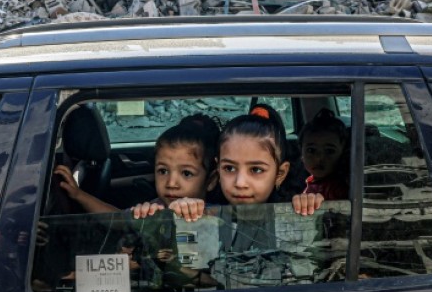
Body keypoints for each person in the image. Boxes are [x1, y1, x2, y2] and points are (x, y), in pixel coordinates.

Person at [52, 114, 222, 289]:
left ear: (210, 181)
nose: (171, 183)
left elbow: (212, 279)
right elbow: (118, 219)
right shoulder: (156, 207)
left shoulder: (215, 220)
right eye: (163, 171)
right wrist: (79, 195)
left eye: (186, 173)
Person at [134, 104, 323, 253]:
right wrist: (175, 216)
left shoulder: (291, 211)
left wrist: (309, 205)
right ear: (217, 169)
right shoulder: (205, 213)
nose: (240, 183)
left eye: (256, 170)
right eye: (229, 168)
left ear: (280, 174)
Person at [298, 108, 348, 202]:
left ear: (342, 152)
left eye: (329, 151)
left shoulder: (337, 190)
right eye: (311, 150)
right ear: (301, 153)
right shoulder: (311, 181)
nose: (319, 158)